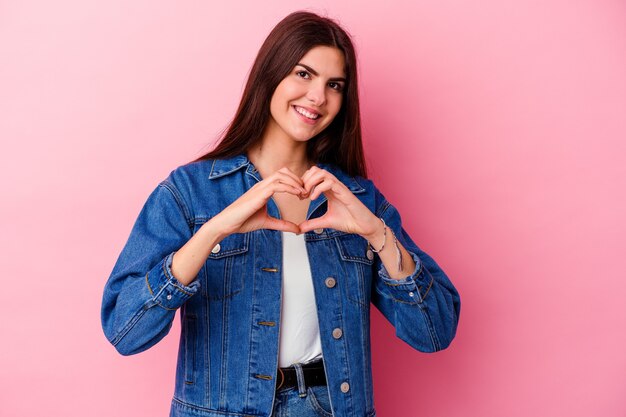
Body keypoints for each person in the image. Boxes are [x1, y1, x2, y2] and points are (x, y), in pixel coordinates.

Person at [101, 10, 460, 417]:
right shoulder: (190, 192)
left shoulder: (357, 200)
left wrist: (379, 235)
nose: (317, 97)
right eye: (303, 74)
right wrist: (214, 231)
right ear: (270, 75)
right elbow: (124, 329)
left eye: (334, 85)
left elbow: (434, 330)